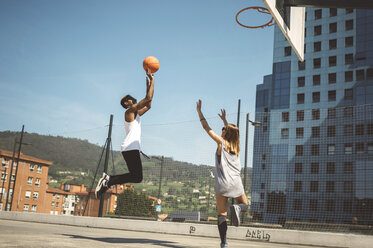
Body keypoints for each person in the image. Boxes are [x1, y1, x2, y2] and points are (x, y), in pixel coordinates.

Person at [196, 99, 248, 248]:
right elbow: (233, 132)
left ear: (226, 133)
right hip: (236, 183)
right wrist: (225, 121)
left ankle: (224, 243)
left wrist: (200, 111)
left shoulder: (221, 143)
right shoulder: (236, 147)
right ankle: (238, 209)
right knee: (244, 204)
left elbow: (207, 128)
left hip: (223, 184)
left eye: (223, 129)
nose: (222, 130)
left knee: (221, 215)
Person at [95, 71, 155, 199]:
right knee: (137, 177)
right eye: (130, 98)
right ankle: (108, 180)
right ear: (127, 103)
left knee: (137, 177)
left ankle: (108, 180)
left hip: (131, 148)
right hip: (130, 147)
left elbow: (149, 104)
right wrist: (153, 80)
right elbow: (148, 99)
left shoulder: (136, 113)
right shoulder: (129, 112)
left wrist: (149, 85)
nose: (133, 98)